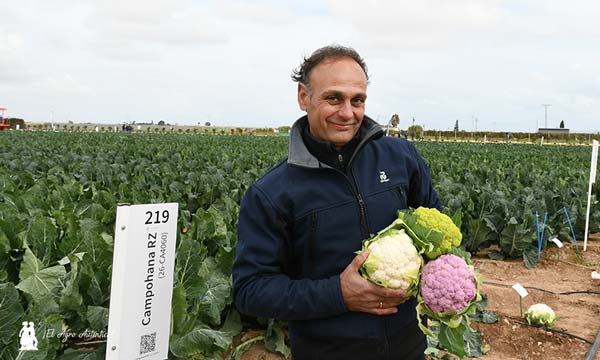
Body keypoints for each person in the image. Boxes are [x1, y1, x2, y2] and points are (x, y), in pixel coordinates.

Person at [232, 45, 442, 360]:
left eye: (357, 100)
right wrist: (338, 294)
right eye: (333, 98)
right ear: (303, 97)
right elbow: (250, 290)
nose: (348, 112)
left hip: (409, 346)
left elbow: (436, 227)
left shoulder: (402, 158)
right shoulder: (272, 192)